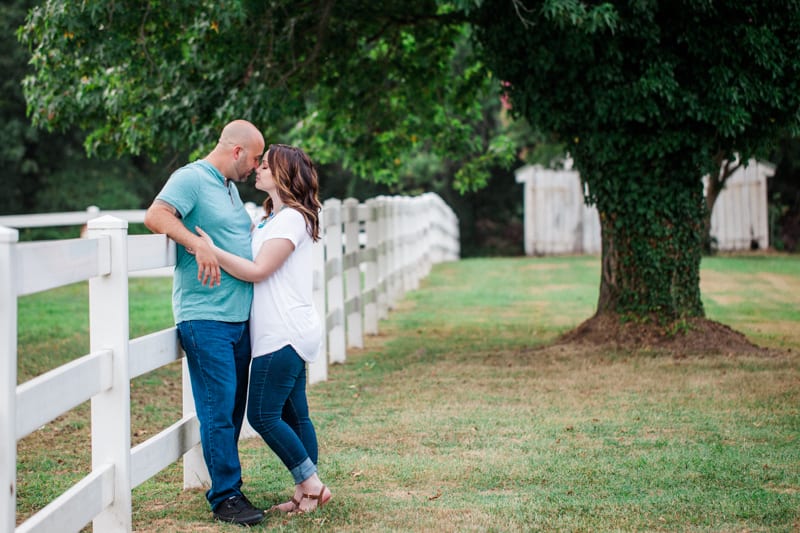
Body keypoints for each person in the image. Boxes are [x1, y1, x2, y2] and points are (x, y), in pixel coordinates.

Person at [196, 143, 332, 514]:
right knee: (294, 413)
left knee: (261, 414)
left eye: (266, 166)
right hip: (285, 328)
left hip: (284, 331)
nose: (258, 169)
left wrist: (209, 250)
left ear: (284, 174)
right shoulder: (274, 216)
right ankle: (306, 496)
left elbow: (258, 271)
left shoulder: (291, 219)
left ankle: (312, 484)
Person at [143, 119, 266, 526]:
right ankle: (226, 496)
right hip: (205, 316)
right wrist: (196, 245)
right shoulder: (191, 178)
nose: (256, 167)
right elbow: (156, 215)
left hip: (238, 317)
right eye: (254, 159)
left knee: (232, 407)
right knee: (217, 407)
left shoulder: (229, 188)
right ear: (236, 152)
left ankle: (227, 486)